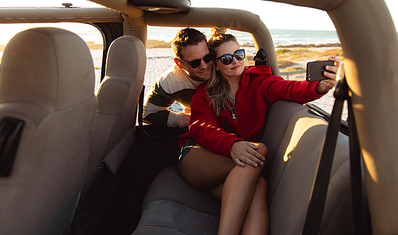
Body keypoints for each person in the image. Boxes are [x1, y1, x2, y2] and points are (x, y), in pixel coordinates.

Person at [178, 28, 339, 235]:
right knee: (258, 151)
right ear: (216, 64)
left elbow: (289, 89)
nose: (235, 61)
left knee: (259, 186)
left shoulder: (259, 82)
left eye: (239, 55)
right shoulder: (204, 93)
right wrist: (232, 145)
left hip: (237, 165)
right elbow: (202, 129)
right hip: (198, 156)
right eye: (226, 59)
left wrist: (319, 87)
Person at [143, 27, 215, 136]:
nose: (204, 66)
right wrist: (190, 119)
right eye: (195, 63)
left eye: (208, 57)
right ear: (179, 63)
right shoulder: (171, 81)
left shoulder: (223, 65)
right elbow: (147, 114)